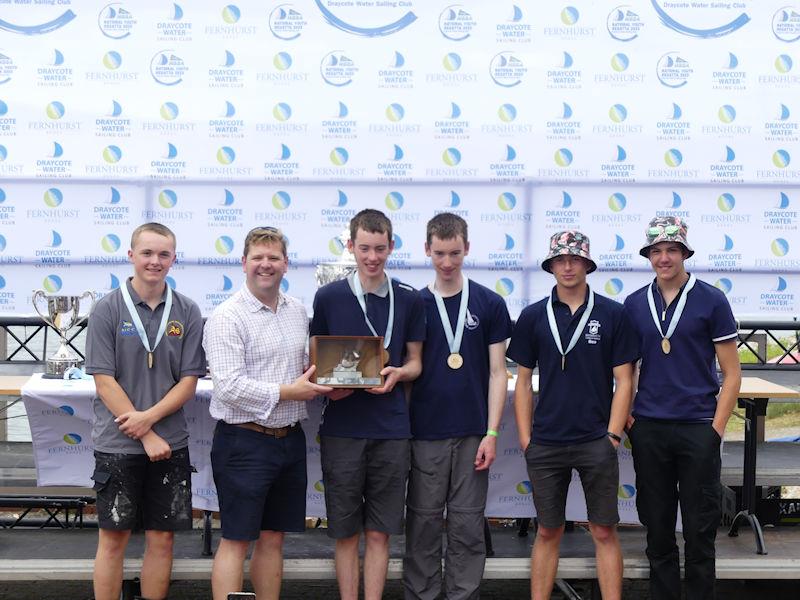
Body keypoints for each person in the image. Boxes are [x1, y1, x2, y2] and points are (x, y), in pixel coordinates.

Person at [202, 226, 337, 600]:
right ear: (243, 263)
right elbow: (228, 386)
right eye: (258, 258)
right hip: (244, 442)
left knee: (274, 539)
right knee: (236, 540)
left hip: (289, 440)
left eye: (273, 257)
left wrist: (342, 376)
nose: (266, 265)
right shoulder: (227, 317)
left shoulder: (297, 312)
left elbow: (310, 369)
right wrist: (287, 392)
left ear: (286, 264)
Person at [507, 230, 638, 600]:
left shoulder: (613, 313)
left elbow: (624, 380)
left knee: (603, 531)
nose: (567, 266)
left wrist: (612, 436)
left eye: (575, 259)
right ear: (551, 266)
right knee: (548, 531)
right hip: (546, 443)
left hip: (595, 440)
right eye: (560, 260)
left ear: (586, 264)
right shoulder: (533, 316)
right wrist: (525, 438)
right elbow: (522, 379)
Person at [86, 222, 206, 600]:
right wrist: (146, 432)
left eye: (164, 254)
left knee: (162, 540)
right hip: (117, 444)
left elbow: (189, 381)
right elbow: (104, 381)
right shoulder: (106, 308)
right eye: (147, 253)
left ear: (173, 259)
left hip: (170, 445)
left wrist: (151, 423)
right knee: (114, 539)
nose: (155, 261)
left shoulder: (187, 310)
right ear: (131, 256)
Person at [623, 216, 741, 600]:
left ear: (685, 253)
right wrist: (630, 421)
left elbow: (732, 374)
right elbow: (624, 371)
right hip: (650, 429)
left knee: (699, 531)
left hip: (697, 428)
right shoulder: (634, 304)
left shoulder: (711, 299)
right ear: (648, 256)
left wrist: (715, 431)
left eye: (671, 250)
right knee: (657, 530)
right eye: (656, 251)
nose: (664, 258)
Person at [310, 208, 425, 600]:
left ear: (391, 247)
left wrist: (397, 375)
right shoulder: (328, 296)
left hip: (391, 430)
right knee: (344, 531)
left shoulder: (409, 299)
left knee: (380, 531)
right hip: (343, 427)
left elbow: (415, 362)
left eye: (380, 248)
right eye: (364, 248)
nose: (372, 257)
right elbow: (315, 360)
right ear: (350, 247)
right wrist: (328, 386)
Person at [403, 213, 512, 600]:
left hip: (472, 435)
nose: (447, 262)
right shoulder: (413, 304)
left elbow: (499, 373)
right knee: (422, 525)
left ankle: (464, 596)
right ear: (426, 251)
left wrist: (492, 432)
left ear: (467, 249)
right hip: (424, 433)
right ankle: (421, 595)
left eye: (454, 253)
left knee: (467, 527)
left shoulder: (490, 302)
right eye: (439, 253)